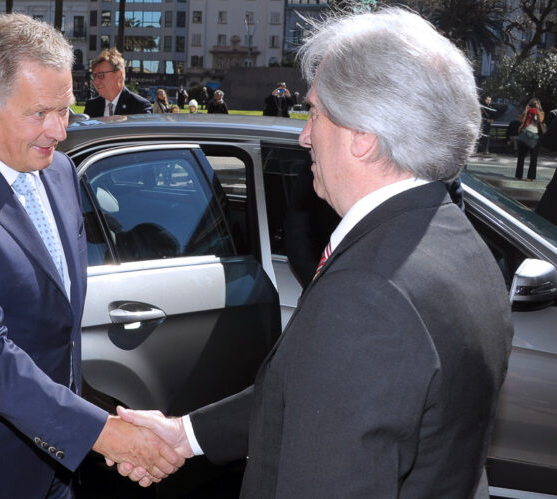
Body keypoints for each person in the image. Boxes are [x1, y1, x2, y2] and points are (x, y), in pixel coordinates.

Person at [112, 8, 514, 497]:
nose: (305, 136)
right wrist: (189, 435)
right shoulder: (456, 239)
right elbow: (321, 393)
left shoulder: (367, 295)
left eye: (316, 113)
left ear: (363, 135)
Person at [0, 14, 183, 499]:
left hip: (52, 466)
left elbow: (56, 317)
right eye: (40, 113)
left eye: (64, 110)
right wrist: (104, 434)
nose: (59, 130)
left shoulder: (60, 172)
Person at [84, 48, 152, 118]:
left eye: (100, 75)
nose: (95, 81)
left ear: (119, 75)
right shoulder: (91, 106)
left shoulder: (139, 106)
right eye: (94, 76)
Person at [515, 97, 545, 181]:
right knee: (521, 156)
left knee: (533, 158)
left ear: (539, 104)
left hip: (535, 136)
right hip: (525, 134)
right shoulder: (527, 111)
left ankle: (530, 177)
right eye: (533, 103)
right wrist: (525, 111)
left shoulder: (541, 112)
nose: (534, 105)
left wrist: (538, 110)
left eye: (536, 103)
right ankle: (518, 175)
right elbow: (521, 120)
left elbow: (541, 120)